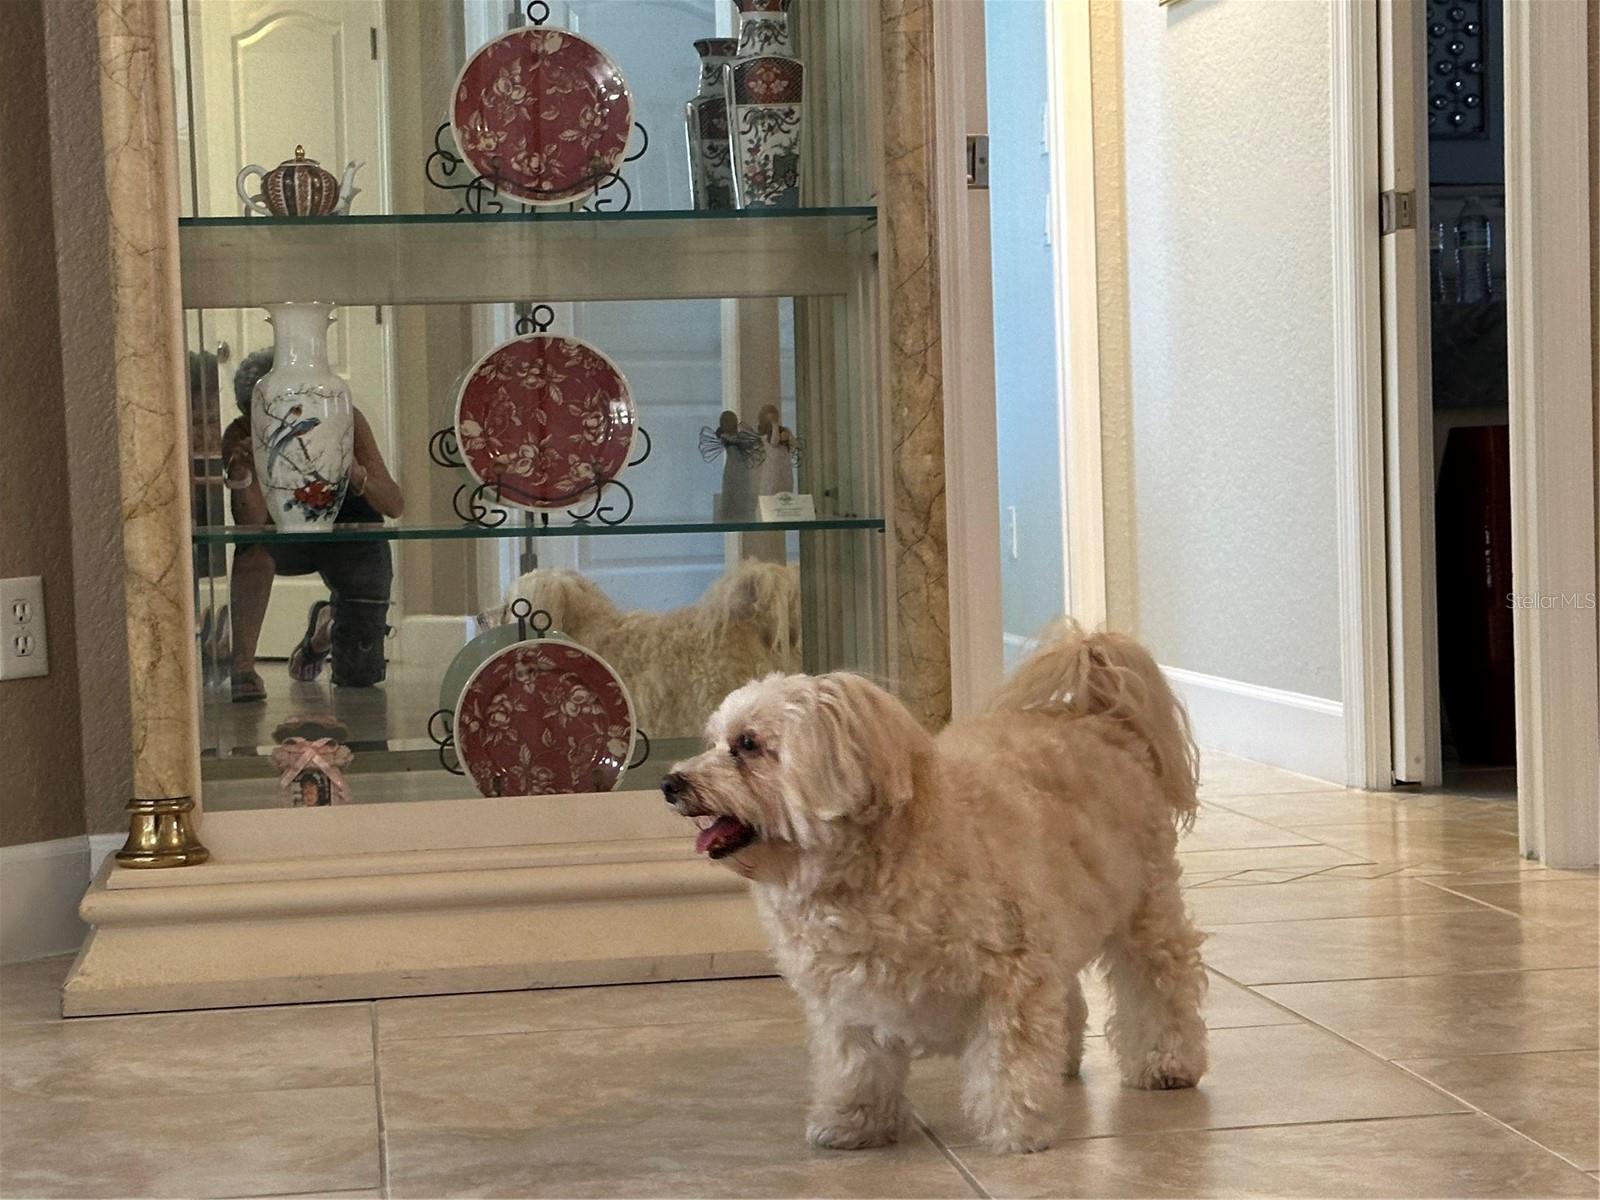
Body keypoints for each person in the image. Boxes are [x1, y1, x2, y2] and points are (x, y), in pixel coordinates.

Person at [222, 349, 404, 702]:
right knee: (251, 552)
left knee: (359, 676)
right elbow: (251, 524)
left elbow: (394, 504)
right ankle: (242, 665)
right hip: (283, 537)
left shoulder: (346, 418)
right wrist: (245, 473)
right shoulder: (241, 433)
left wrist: (357, 475)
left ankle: (322, 632)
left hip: (350, 537)